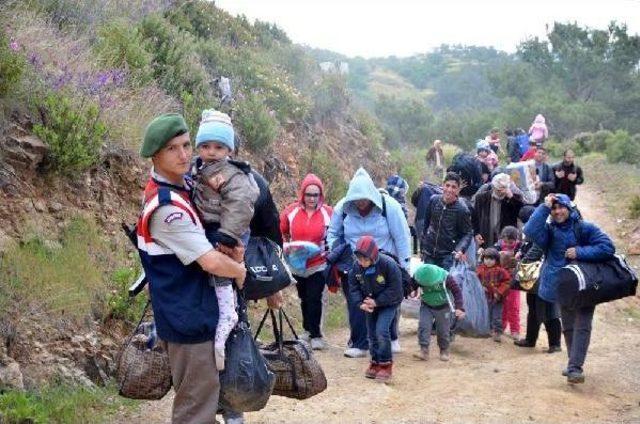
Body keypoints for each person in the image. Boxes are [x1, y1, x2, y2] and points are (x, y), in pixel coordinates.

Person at [136, 113, 246, 423]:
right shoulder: (167, 207)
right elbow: (209, 261)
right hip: (188, 319)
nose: (184, 155)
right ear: (155, 155)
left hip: (194, 312)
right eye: (173, 148)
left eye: (186, 145)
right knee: (196, 410)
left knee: (204, 403)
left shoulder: (184, 187)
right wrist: (238, 270)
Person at [191, 110, 259, 370]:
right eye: (206, 146)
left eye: (219, 147)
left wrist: (229, 235)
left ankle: (227, 315)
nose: (211, 151)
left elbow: (241, 203)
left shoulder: (233, 173)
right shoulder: (200, 167)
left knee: (221, 271)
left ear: (229, 149)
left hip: (227, 231)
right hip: (210, 227)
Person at [524, 194, 614, 383]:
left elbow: (607, 247)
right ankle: (573, 363)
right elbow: (530, 230)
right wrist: (544, 207)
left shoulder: (584, 228)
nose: (557, 211)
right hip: (563, 285)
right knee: (569, 326)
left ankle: (575, 367)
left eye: (561, 207)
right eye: (554, 208)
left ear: (569, 208)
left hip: (586, 283)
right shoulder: (548, 231)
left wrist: (580, 252)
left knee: (582, 324)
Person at [327, 167, 411, 358]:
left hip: (384, 262)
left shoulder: (389, 206)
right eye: (357, 199)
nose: (361, 202)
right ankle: (360, 343)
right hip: (354, 263)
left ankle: (391, 336)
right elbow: (332, 233)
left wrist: (405, 267)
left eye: (364, 198)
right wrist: (338, 250)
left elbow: (402, 237)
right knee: (357, 302)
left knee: (387, 299)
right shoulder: (342, 208)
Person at [280, 174, 333, 350]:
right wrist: (287, 247)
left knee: (314, 297)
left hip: (319, 263)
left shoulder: (328, 213)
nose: (312, 198)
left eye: (315, 195)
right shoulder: (291, 211)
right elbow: (281, 231)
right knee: (303, 298)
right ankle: (306, 330)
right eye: (308, 194)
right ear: (302, 194)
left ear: (320, 195)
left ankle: (316, 334)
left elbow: (336, 233)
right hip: (297, 264)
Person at [348, 236, 404, 381]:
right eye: (359, 259)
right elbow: (353, 288)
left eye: (365, 260)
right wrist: (361, 303)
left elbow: (396, 290)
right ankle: (375, 362)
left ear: (373, 256)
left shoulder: (388, 264)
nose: (362, 263)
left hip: (388, 303)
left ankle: (386, 365)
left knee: (381, 331)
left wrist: (377, 302)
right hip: (369, 304)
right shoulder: (356, 266)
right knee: (371, 334)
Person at [513, 207, 562, 353]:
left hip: (545, 275)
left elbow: (536, 250)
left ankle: (555, 344)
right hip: (536, 275)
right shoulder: (540, 227)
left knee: (548, 309)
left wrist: (522, 265)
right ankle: (530, 339)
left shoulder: (543, 229)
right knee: (533, 308)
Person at [419, 172, 473, 271]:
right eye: (447, 185)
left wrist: (460, 250)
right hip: (429, 253)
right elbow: (426, 224)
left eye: (453, 187)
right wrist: (423, 246)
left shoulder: (462, 210)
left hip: (448, 256)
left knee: (444, 285)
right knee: (428, 283)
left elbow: (468, 233)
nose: (449, 190)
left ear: (458, 190)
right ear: (443, 185)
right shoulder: (434, 201)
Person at [412, 264, 465, 362]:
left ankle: (444, 350)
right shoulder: (418, 276)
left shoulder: (447, 278)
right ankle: (424, 350)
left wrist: (459, 308)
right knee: (424, 326)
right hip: (426, 305)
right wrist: (411, 291)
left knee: (443, 330)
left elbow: (457, 292)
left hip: (443, 306)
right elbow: (412, 285)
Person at [472, 173, 523, 249]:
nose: (501, 192)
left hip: (505, 240)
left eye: (503, 189)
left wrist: (511, 198)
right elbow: (474, 217)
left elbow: (520, 212)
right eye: (498, 190)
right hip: (486, 236)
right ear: (493, 187)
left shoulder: (512, 198)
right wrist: (476, 233)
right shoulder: (481, 198)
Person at [476, 247, 512, 343]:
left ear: (496, 260)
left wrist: (499, 292)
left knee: (497, 316)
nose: (488, 261)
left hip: (497, 298)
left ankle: (497, 332)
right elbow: (476, 281)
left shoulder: (501, 271)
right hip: (484, 297)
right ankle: (488, 329)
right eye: (486, 258)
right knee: (486, 314)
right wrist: (480, 287)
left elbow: (507, 282)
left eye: (491, 259)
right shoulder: (480, 269)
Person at [494, 226, 522, 340]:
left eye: (511, 242)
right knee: (501, 305)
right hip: (501, 281)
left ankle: (515, 329)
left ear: (516, 240)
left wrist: (519, 256)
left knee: (514, 306)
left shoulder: (520, 247)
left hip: (514, 282)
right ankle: (500, 329)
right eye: (506, 241)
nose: (508, 244)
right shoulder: (498, 246)